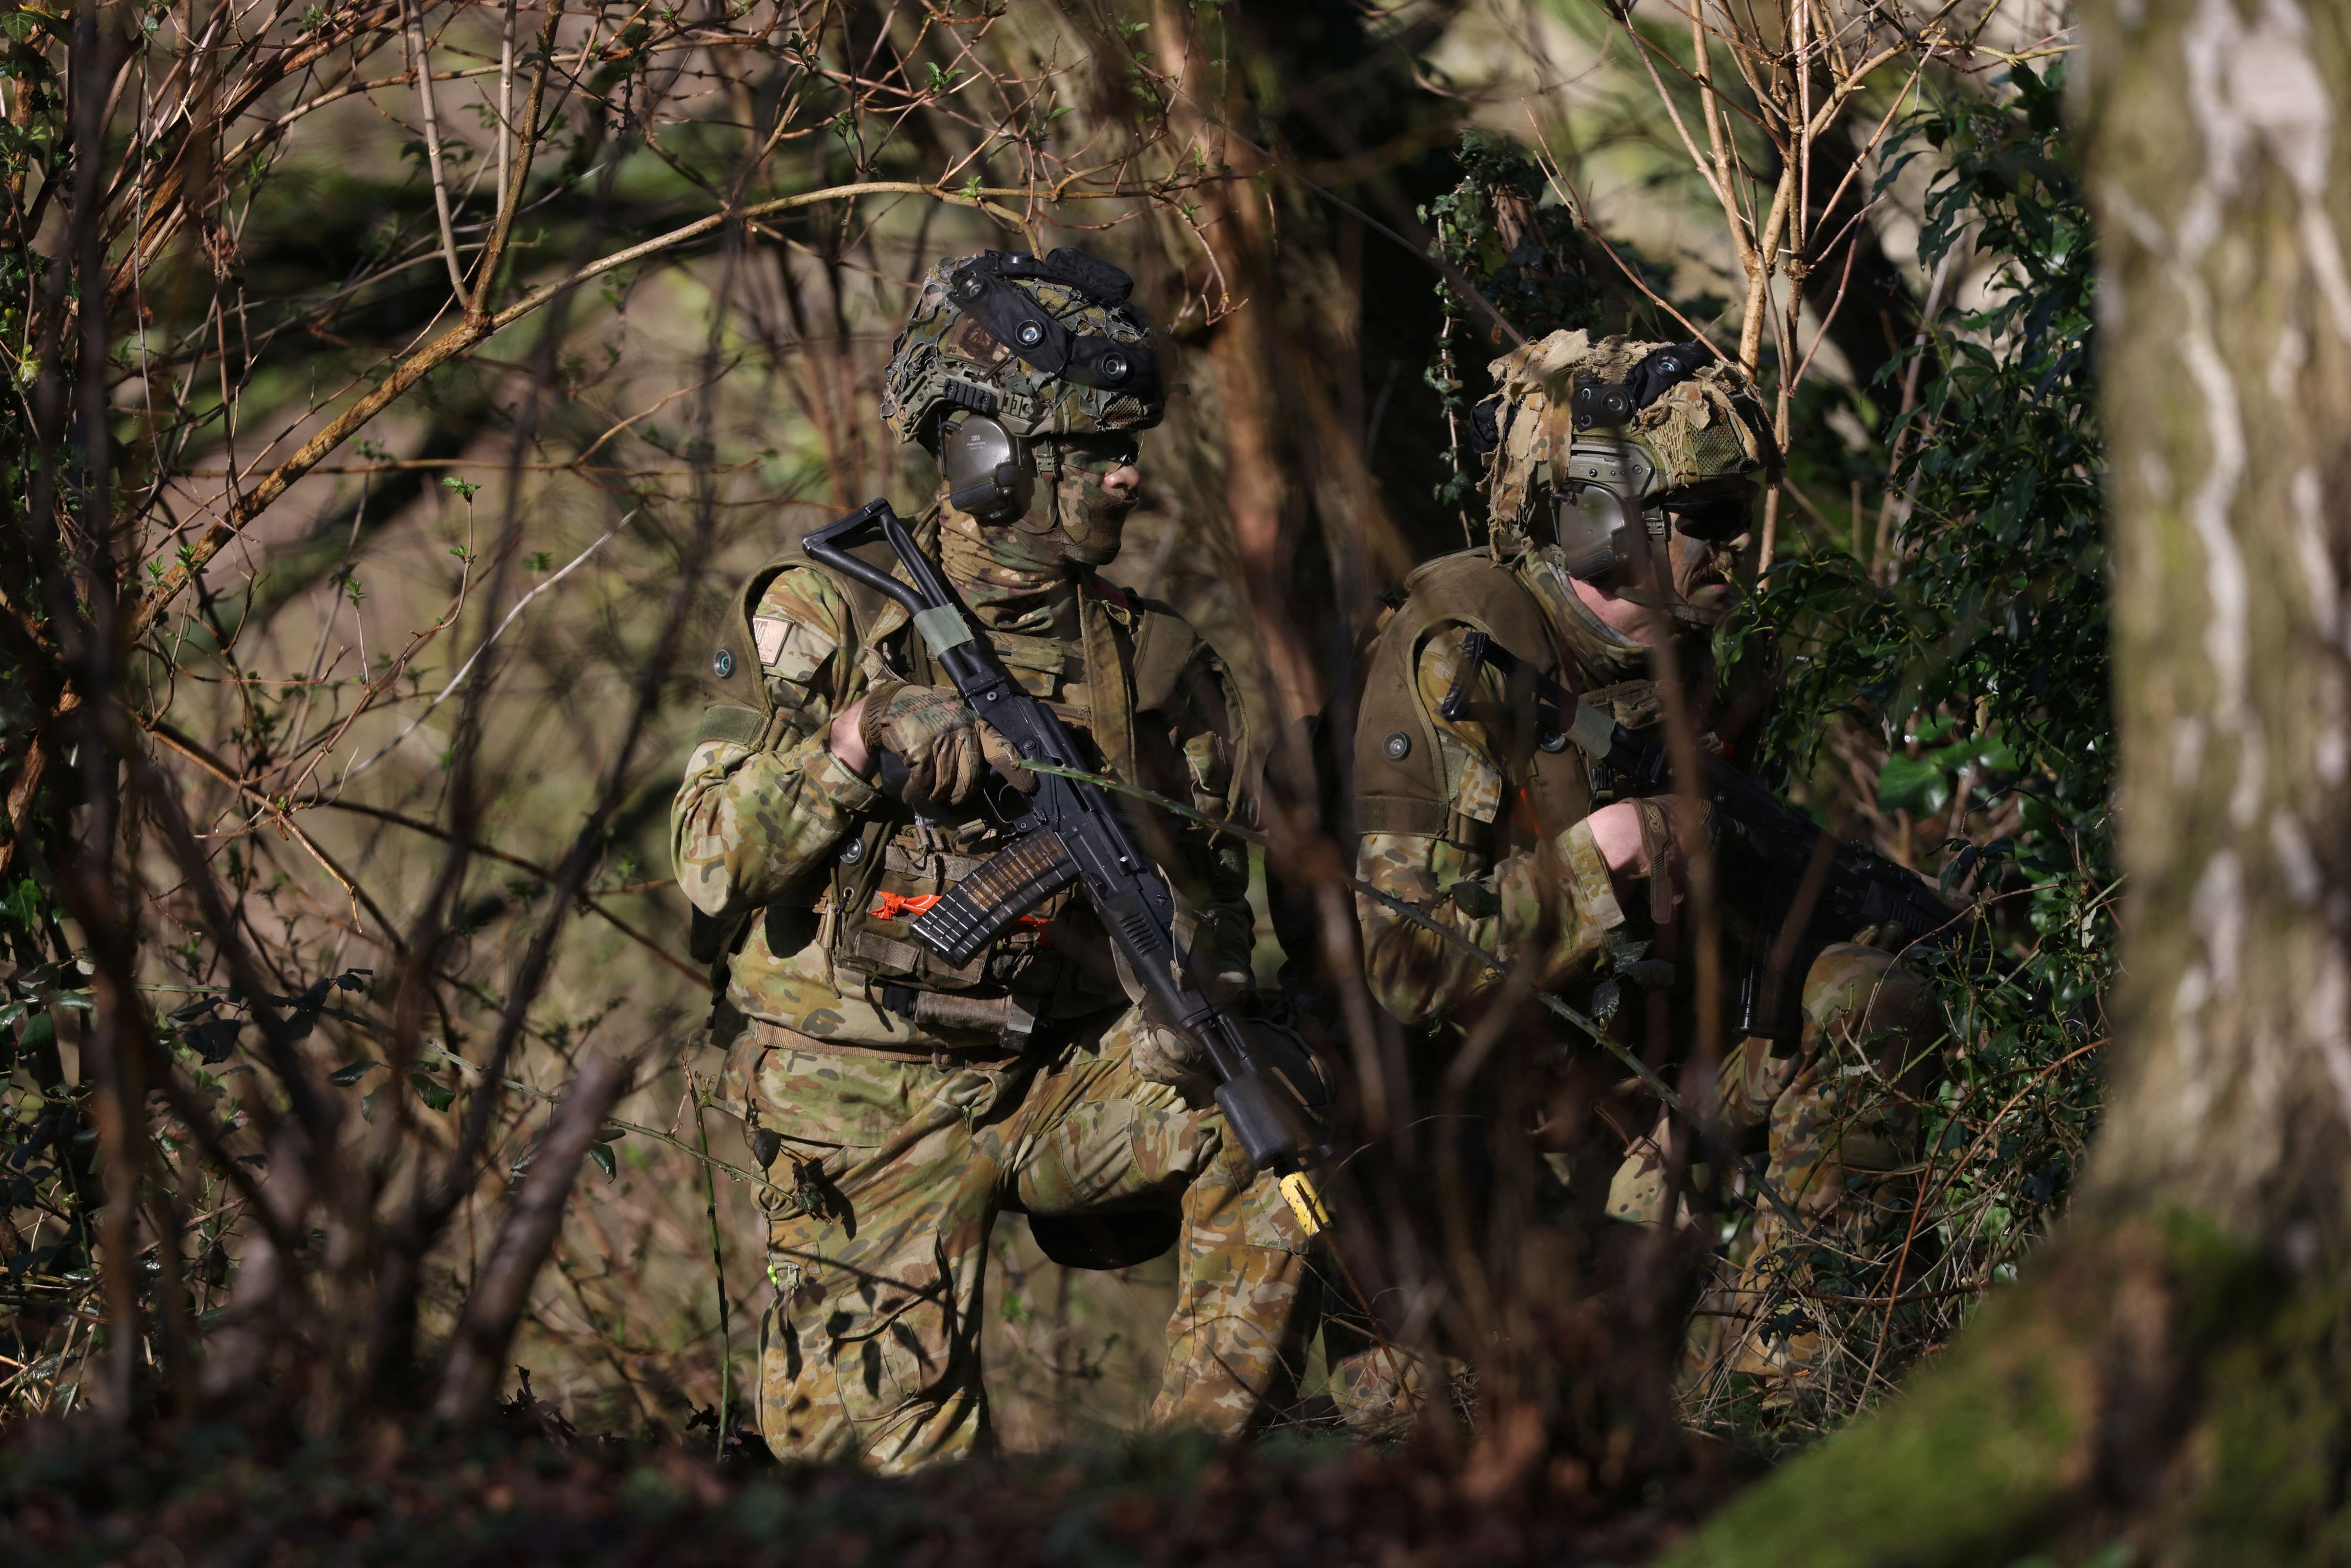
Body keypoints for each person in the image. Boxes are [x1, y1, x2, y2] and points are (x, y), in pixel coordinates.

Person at [671, 246, 1318, 1470]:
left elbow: (1213, 894)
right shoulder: (824, 616)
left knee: (1264, 1094)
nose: (1128, 474)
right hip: (858, 1103)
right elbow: (707, 863)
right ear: (986, 452)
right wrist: (854, 745)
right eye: (1094, 448)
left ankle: (1189, 1496)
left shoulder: (1159, 662)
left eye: (1131, 442)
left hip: (1058, 1079)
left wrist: (1189, 984)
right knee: (872, 1488)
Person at [1338, 328, 1937, 1419]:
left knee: (1874, 996)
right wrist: (1607, 851)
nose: (1732, 548)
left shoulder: (1691, 662)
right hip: (1499, 1128)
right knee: (1481, 1410)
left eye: (1736, 517)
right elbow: (1406, 962)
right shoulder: (1465, 647)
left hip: (1657, 1084)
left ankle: (1780, 1411)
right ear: (1604, 521)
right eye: (1704, 520)